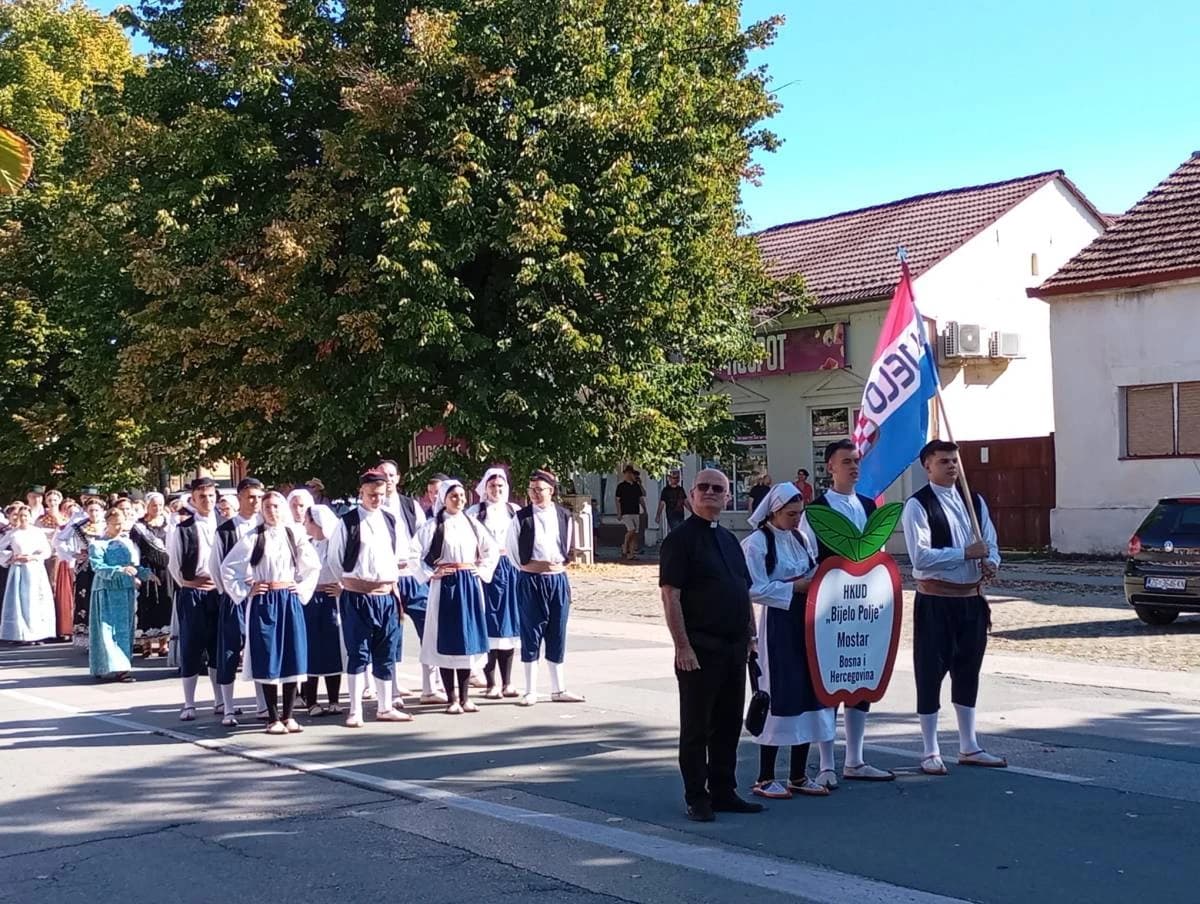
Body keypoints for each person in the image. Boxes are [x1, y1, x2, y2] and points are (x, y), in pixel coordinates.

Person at [659, 469, 762, 822]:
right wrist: (682, 646)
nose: (710, 493)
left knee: (729, 722)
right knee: (696, 727)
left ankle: (724, 790)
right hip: (699, 648)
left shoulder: (731, 541)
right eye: (702, 487)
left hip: (734, 647)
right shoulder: (680, 540)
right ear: (690, 494)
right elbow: (671, 596)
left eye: (718, 488)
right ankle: (696, 796)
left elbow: (742, 590)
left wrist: (751, 636)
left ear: (728, 497)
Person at [902, 439, 1005, 775]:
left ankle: (968, 744)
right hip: (936, 601)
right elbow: (921, 557)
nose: (951, 466)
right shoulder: (918, 505)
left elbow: (989, 543)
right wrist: (964, 554)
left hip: (971, 600)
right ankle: (930, 749)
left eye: (954, 461)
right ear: (927, 466)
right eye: (943, 461)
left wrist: (991, 562)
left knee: (968, 669)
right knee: (930, 672)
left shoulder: (973, 501)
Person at [798, 439, 895, 785]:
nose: (854, 466)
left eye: (856, 461)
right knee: (828, 680)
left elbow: (878, 558)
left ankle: (855, 758)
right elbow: (807, 557)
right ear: (830, 468)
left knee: (862, 678)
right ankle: (826, 763)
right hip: (829, 609)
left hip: (865, 610)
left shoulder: (870, 507)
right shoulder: (816, 511)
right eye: (846, 461)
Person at [742, 484, 834, 799]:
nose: (796, 520)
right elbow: (752, 588)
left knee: (808, 692)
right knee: (779, 692)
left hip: (805, 621)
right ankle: (765, 776)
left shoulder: (800, 538)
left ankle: (798, 773)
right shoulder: (756, 543)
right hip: (778, 623)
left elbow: (812, 571)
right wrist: (794, 588)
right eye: (790, 514)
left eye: (799, 514)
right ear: (774, 511)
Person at [220, 491, 319, 734]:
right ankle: (272, 717)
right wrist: (247, 588)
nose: (272, 511)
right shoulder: (253, 537)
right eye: (267, 507)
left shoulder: (293, 534)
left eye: (275, 506)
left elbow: (313, 565)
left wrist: (302, 587)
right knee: (267, 654)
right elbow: (228, 567)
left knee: (291, 654)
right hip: (265, 601)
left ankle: (289, 716)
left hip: (289, 599)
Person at [326, 469, 412, 727]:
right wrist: (350, 583)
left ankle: (385, 706)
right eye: (372, 494)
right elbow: (335, 558)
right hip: (357, 596)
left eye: (381, 495)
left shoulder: (390, 520)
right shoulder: (348, 522)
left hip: (386, 595)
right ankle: (355, 709)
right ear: (361, 492)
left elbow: (400, 557)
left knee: (386, 651)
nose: (376, 499)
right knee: (358, 651)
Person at [414, 479, 499, 714]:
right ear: (443, 498)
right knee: (447, 640)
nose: (459, 500)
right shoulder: (433, 526)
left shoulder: (472, 524)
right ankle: (451, 698)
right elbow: (413, 555)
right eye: (454, 496)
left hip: (469, 585)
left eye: (462, 496)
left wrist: (480, 570)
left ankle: (465, 698)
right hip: (445, 587)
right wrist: (432, 573)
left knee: (466, 640)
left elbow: (490, 550)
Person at [506, 470, 585, 706]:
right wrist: (530, 567)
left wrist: (558, 565)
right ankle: (530, 690)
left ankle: (558, 688)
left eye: (539, 489)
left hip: (557, 579)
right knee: (531, 630)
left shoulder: (564, 515)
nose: (535, 494)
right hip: (531, 580)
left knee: (557, 630)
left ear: (551, 490)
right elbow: (511, 551)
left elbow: (568, 543)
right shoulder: (521, 517)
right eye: (532, 489)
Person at [377, 458, 437, 703]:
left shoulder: (410, 505)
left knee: (429, 629)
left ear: (398, 478)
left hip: (412, 575)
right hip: (388, 578)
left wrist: (424, 570)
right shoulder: (372, 508)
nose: (388, 480)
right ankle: (392, 689)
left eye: (391, 475)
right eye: (383, 475)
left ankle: (430, 688)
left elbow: (425, 538)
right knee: (391, 634)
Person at [209, 477, 265, 726]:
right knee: (230, 649)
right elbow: (216, 567)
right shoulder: (226, 530)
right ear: (240, 497)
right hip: (235, 598)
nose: (255, 502)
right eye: (251, 497)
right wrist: (234, 592)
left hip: (262, 595)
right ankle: (228, 707)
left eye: (259, 497)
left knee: (262, 649)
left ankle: (264, 704)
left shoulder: (266, 525)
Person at [167, 477, 222, 721]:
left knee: (219, 646)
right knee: (192, 646)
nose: (207, 501)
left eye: (211, 496)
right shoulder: (183, 528)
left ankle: (221, 699)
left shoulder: (226, 525)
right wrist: (191, 584)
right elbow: (175, 565)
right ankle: (189, 703)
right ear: (193, 500)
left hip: (220, 594)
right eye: (202, 497)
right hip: (193, 593)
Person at [467, 468, 522, 698]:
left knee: (508, 625)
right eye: (492, 486)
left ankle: (507, 682)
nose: (496, 490)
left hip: (510, 569)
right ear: (485, 488)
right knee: (488, 624)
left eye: (500, 486)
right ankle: (491, 683)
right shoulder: (474, 512)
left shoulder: (514, 511)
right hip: (486, 570)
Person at [88, 507, 150, 681]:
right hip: (107, 589)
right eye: (115, 524)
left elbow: (132, 565)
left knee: (124, 629)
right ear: (107, 523)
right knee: (107, 629)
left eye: (121, 524)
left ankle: (122, 665)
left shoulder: (126, 542)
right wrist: (119, 570)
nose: (118, 527)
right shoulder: (98, 544)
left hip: (125, 590)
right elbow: (98, 567)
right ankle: (111, 666)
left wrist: (145, 573)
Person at [301, 504, 344, 716]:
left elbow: (345, 567)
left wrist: (342, 587)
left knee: (331, 648)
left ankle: (334, 699)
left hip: (330, 599)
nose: (304, 523)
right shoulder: (305, 544)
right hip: (309, 600)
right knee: (310, 649)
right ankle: (311, 701)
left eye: (307, 519)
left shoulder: (334, 545)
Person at [0, 503, 56, 644]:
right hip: (18, 570)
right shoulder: (13, 533)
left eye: (26, 515)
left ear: (30, 517)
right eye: (21, 516)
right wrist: (11, 557)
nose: (23, 518)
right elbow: (1, 549)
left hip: (34, 569)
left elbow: (46, 551)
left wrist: (33, 557)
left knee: (35, 600)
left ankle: (37, 634)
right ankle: (19, 634)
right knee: (19, 601)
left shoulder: (37, 532)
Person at [54, 497, 106, 634]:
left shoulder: (107, 525)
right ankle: (89, 634)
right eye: (91, 510)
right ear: (86, 511)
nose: (94, 513)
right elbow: (59, 540)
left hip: (105, 565)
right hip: (85, 566)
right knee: (86, 597)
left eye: (96, 510)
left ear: (102, 511)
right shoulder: (79, 525)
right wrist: (73, 554)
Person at [136, 493, 174, 657]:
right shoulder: (139, 527)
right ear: (147, 506)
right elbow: (135, 549)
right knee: (147, 602)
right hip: (147, 567)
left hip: (165, 569)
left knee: (165, 602)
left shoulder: (169, 525)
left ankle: (163, 643)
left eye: (159, 505)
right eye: (153, 505)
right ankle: (146, 643)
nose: (157, 508)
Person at [34, 490, 71, 641]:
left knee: (61, 591)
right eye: (50, 500)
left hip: (61, 557)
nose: (52, 502)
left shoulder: (65, 518)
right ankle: (49, 626)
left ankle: (63, 626)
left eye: (55, 500)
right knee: (47, 589)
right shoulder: (41, 519)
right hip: (46, 557)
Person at [615, 465, 646, 560]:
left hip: (635, 511)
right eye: (629, 473)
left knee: (634, 534)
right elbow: (617, 500)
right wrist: (619, 512)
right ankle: (624, 545)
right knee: (631, 529)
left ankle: (631, 554)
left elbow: (642, 496)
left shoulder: (636, 486)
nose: (631, 475)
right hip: (626, 512)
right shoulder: (621, 486)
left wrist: (644, 508)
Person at [655, 470, 691, 539]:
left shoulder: (680, 489)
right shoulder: (666, 490)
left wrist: (692, 511)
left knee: (681, 530)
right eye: (674, 478)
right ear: (670, 478)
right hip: (671, 514)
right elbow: (662, 503)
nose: (676, 479)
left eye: (677, 477)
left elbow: (685, 502)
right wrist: (658, 515)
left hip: (680, 514)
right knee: (676, 530)